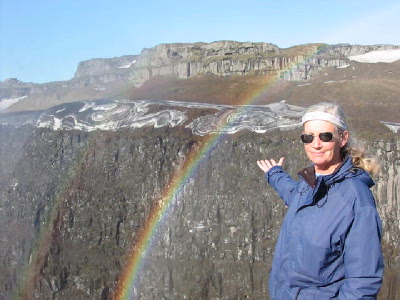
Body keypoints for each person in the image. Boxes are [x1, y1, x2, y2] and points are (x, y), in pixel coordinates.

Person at [257, 102, 384, 299]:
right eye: (308, 138)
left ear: (343, 138)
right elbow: (293, 194)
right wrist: (275, 174)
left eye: (325, 136)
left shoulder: (356, 197)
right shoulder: (309, 183)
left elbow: (363, 282)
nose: (316, 144)